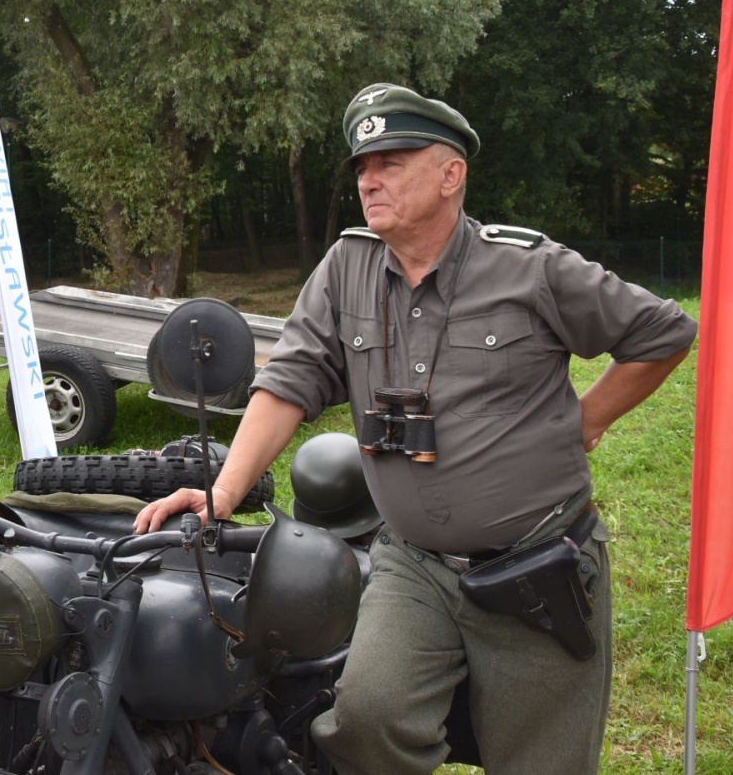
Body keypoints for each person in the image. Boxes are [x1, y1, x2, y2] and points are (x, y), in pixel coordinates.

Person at [136, 83, 697, 775]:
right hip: (414, 563)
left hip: (534, 568)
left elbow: (663, 333)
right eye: (363, 168)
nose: (369, 180)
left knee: (541, 761)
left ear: (450, 174)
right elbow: (288, 382)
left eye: (391, 162)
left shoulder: (530, 268)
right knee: (364, 721)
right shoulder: (346, 268)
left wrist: (592, 416)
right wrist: (220, 494)